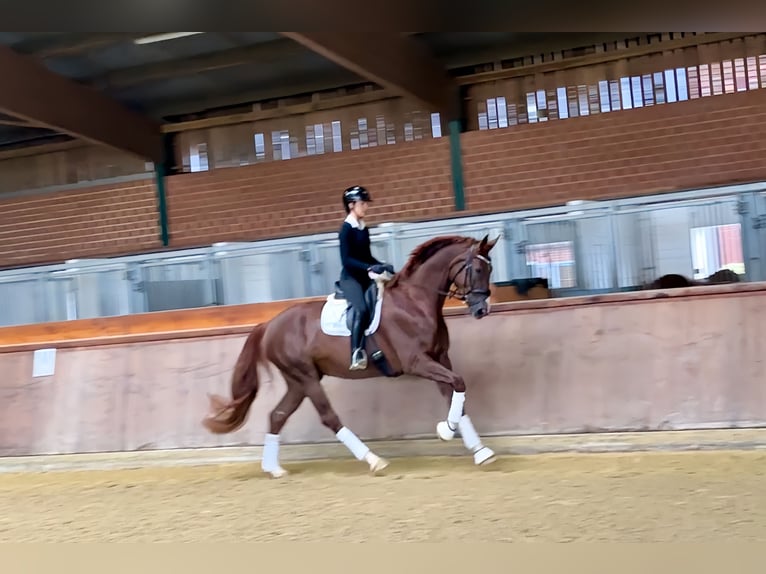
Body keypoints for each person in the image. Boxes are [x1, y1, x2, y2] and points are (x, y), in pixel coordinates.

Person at [338, 185, 394, 370]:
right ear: (352, 205)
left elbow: (366, 256)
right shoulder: (346, 229)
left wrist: (381, 264)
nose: (366, 207)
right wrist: (369, 267)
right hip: (350, 279)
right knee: (361, 310)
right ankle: (356, 352)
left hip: (364, 276)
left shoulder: (363, 227)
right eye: (363, 203)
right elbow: (347, 260)